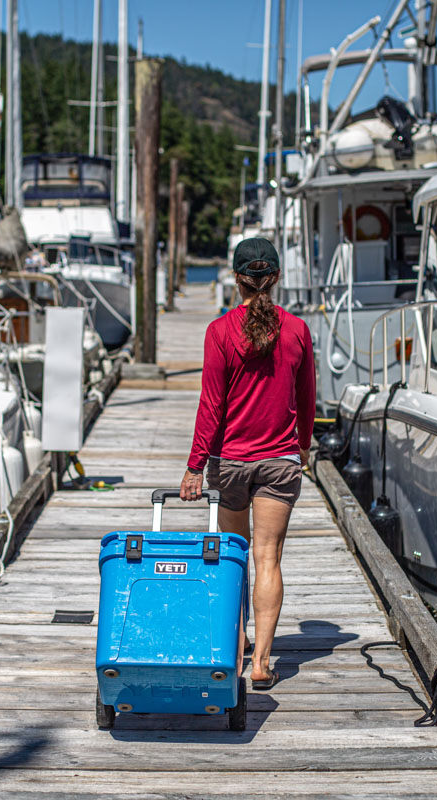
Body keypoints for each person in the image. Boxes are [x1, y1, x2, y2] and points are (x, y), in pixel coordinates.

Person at [180, 237, 315, 690]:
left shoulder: (220, 332)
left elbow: (210, 406)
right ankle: (260, 662)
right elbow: (307, 400)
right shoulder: (296, 330)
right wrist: (304, 446)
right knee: (268, 559)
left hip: (230, 463)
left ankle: (233, 645)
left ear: (236, 278)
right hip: (280, 461)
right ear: (275, 277)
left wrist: (195, 466)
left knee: (235, 559)